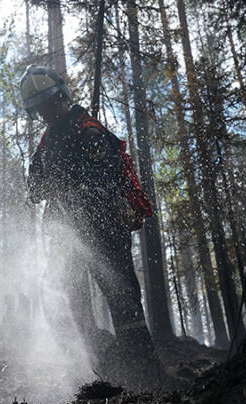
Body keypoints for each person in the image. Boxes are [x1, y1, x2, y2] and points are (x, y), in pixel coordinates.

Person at [19, 65, 160, 387]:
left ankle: (146, 374)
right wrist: (45, 184)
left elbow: (104, 181)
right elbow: (35, 189)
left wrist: (75, 186)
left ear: (62, 96)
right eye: (39, 108)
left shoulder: (89, 130)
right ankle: (99, 366)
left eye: (49, 103)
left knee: (122, 298)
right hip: (64, 234)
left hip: (104, 230)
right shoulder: (46, 142)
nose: (46, 112)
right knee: (67, 299)